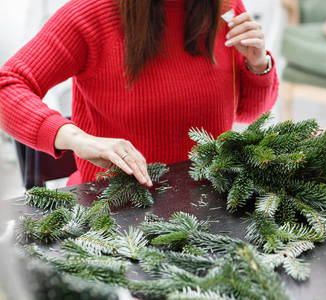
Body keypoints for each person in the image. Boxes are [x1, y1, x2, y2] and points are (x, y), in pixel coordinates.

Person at [0, 0, 278, 187]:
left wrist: (258, 63)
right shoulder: (90, 13)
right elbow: (7, 86)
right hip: (114, 217)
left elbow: (248, 112)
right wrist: (77, 139)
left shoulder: (224, 8)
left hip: (210, 206)